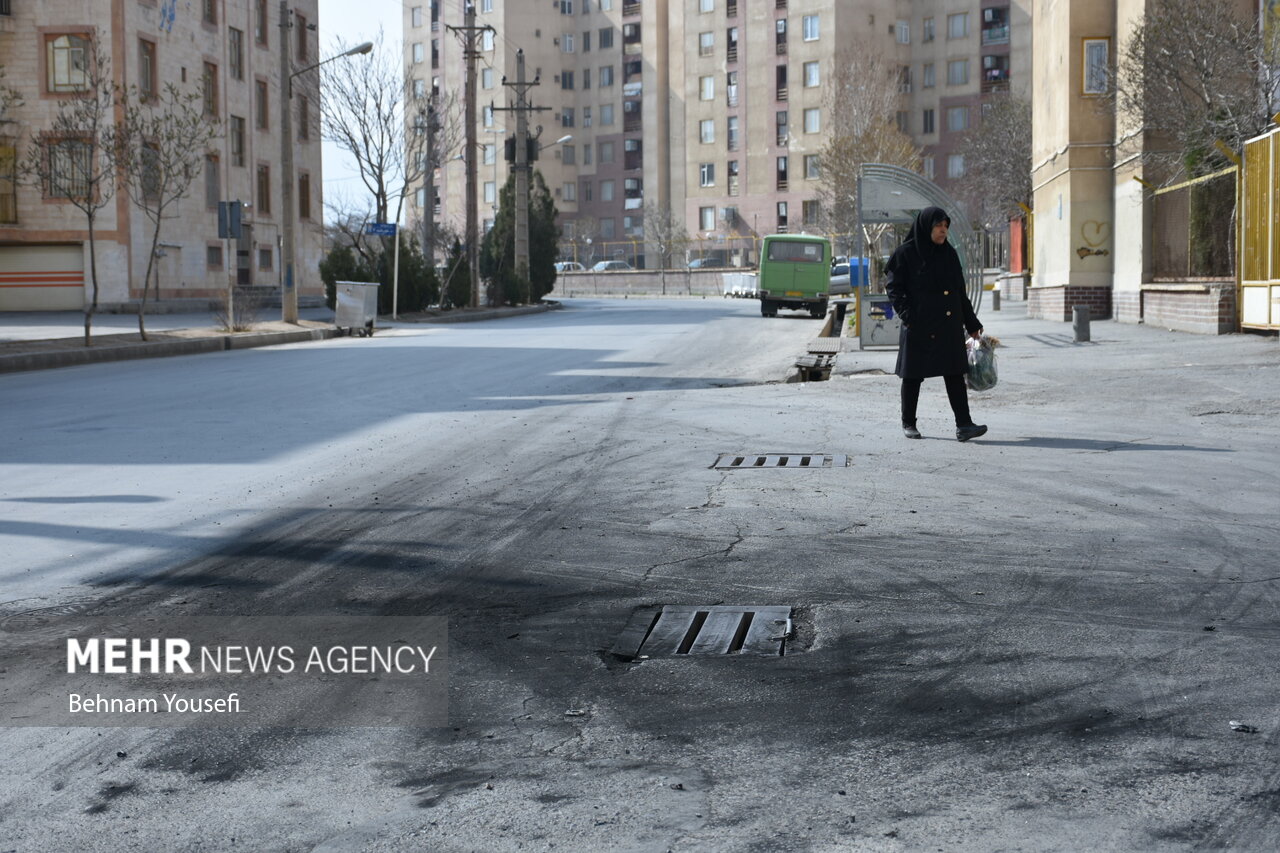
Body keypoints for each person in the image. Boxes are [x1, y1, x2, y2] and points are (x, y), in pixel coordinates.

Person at [884, 207, 988, 442]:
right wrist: (908, 316)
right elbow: (894, 289)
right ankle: (908, 422)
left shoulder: (949, 254)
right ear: (926, 227)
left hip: (948, 325)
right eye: (939, 226)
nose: (943, 231)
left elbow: (960, 292)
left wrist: (972, 323)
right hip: (918, 325)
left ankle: (964, 425)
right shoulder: (905, 254)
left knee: (954, 373)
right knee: (912, 376)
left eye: (946, 226)